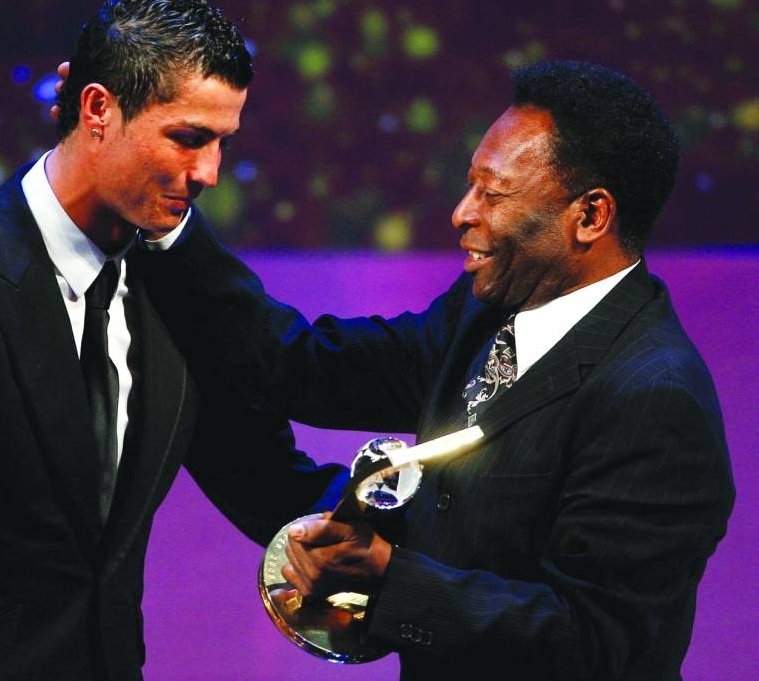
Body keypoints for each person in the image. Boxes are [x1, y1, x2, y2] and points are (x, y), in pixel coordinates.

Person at [0, 0, 345, 680]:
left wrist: (427, 530)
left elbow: (264, 480)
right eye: (187, 138)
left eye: (222, 143)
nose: (208, 172)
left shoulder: (178, 288)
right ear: (97, 109)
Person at [136, 61, 736, 678]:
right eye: (469, 184)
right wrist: (164, 225)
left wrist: (395, 579)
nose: (461, 213)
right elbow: (304, 366)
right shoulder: (483, 310)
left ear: (590, 216)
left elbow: (588, 640)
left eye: (492, 193)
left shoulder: (656, 399)